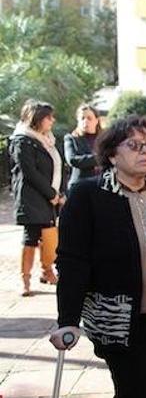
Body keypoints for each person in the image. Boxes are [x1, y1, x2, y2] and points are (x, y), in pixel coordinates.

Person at [51, 116, 146, 398]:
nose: (144, 151)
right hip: (118, 321)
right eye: (133, 145)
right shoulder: (88, 196)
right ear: (111, 155)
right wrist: (67, 319)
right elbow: (73, 261)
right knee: (136, 392)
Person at [9, 100, 64, 296]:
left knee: (50, 234)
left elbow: (56, 169)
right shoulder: (22, 140)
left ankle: (47, 271)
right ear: (37, 118)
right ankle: (25, 279)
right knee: (31, 236)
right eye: (48, 117)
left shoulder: (47, 139)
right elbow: (30, 172)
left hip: (48, 195)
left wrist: (58, 193)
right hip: (32, 197)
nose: (52, 120)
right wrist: (51, 194)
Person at [64, 104, 103, 192]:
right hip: (80, 188)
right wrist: (100, 158)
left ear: (96, 120)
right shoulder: (71, 138)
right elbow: (72, 160)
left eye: (89, 118)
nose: (85, 121)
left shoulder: (104, 139)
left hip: (102, 187)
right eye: (82, 118)